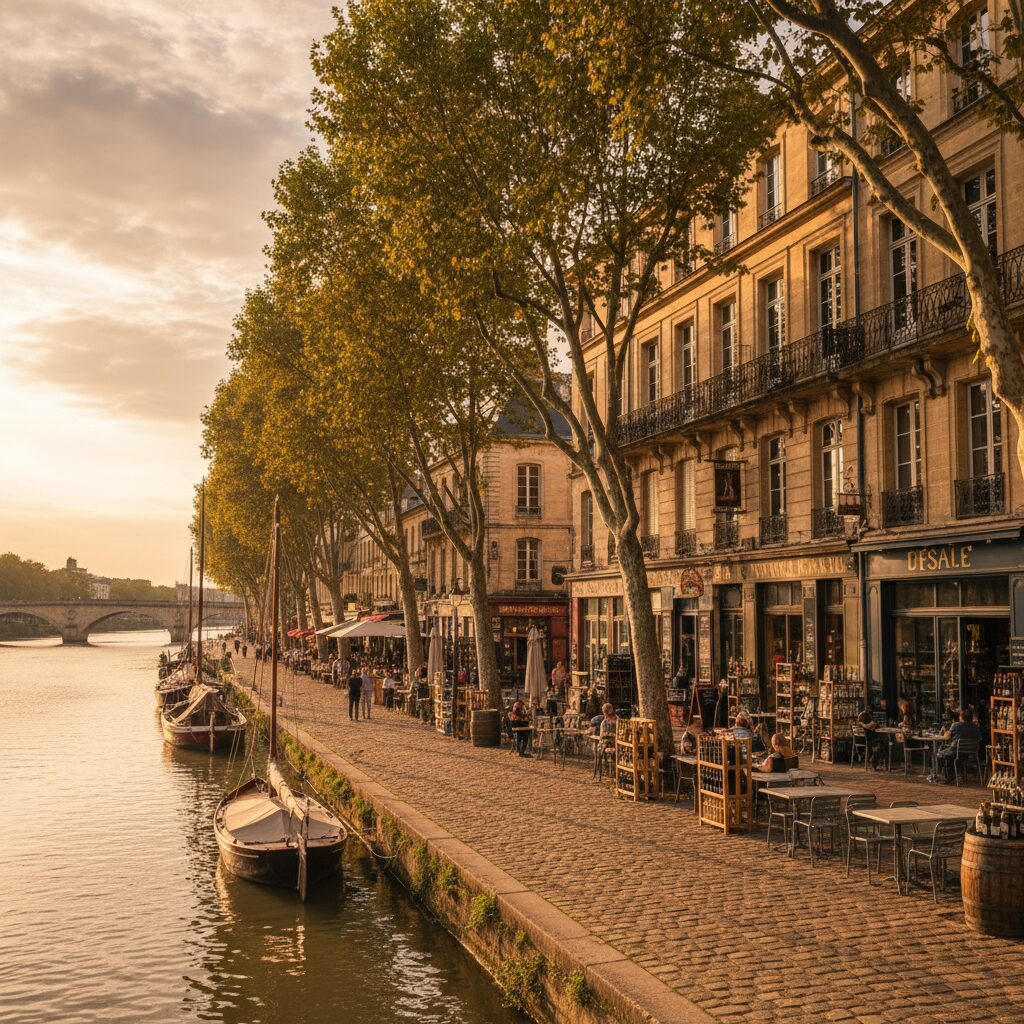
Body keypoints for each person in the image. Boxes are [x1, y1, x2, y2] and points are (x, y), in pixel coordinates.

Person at [936, 708, 983, 782]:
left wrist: (945, 731)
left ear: (961, 717)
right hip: (971, 753)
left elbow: (946, 737)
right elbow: (979, 738)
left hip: (956, 752)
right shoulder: (976, 727)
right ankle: (956, 773)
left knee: (940, 753)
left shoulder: (956, 725)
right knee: (951, 754)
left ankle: (948, 775)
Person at [857, 703, 882, 769]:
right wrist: (873, 725)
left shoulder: (861, 721)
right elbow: (870, 726)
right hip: (869, 741)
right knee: (882, 744)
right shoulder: (866, 720)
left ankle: (873, 760)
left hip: (861, 742)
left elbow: (870, 726)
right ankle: (874, 761)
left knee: (879, 744)